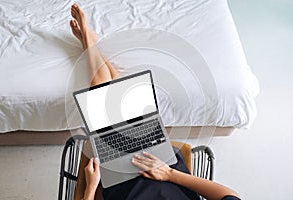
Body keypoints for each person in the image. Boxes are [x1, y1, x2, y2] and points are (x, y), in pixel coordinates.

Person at [69, 4, 241, 200]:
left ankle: (90, 45)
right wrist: (169, 173)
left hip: (128, 188)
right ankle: (90, 45)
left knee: (111, 99)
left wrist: (90, 189)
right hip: (164, 171)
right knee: (114, 99)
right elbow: (230, 195)